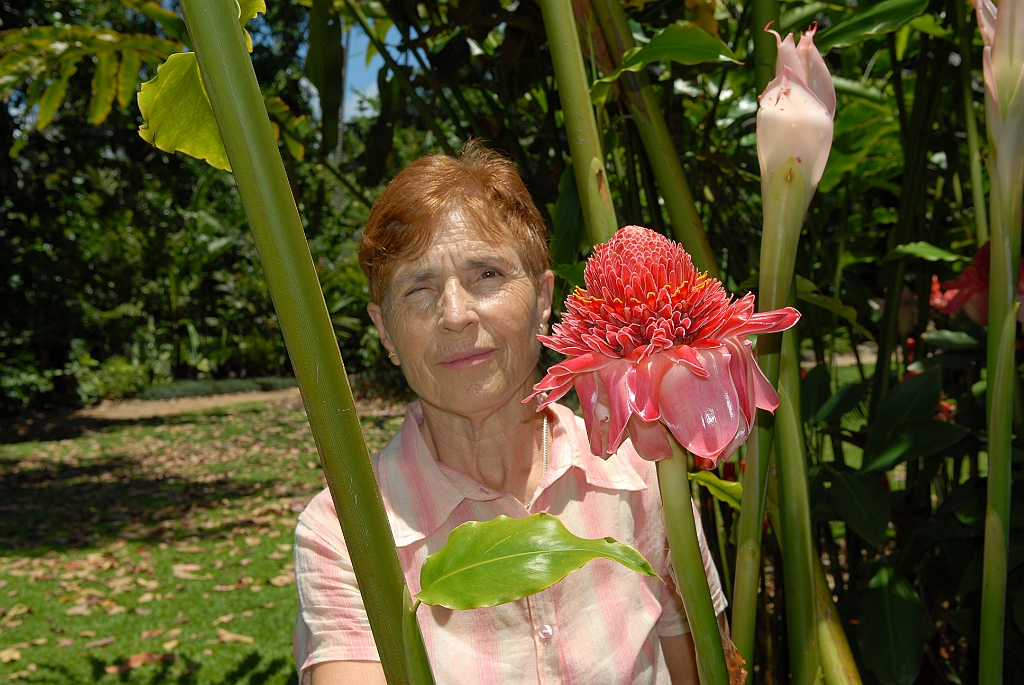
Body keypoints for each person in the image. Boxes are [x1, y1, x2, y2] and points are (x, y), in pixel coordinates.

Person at [293, 144, 728, 685]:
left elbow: (705, 668)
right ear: (386, 331)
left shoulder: (642, 472)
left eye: (488, 275)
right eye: (419, 288)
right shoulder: (344, 529)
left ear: (543, 299)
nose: (455, 315)